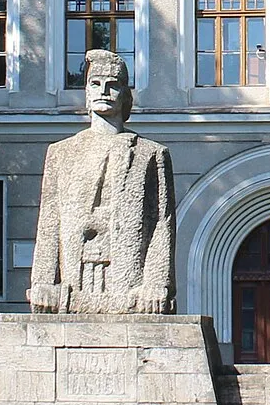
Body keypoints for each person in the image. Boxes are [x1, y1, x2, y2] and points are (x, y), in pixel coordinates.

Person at [26, 50, 176, 314]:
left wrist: (156, 283)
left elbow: (161, 225)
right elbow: (50, 222)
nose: (103, 90)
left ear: (126, 95)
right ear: (86, 92)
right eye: (95, 83)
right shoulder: (62, 152)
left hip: (127, 275)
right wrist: (43, 282)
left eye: (113, 85)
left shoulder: (150, 153)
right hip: (75, 274)